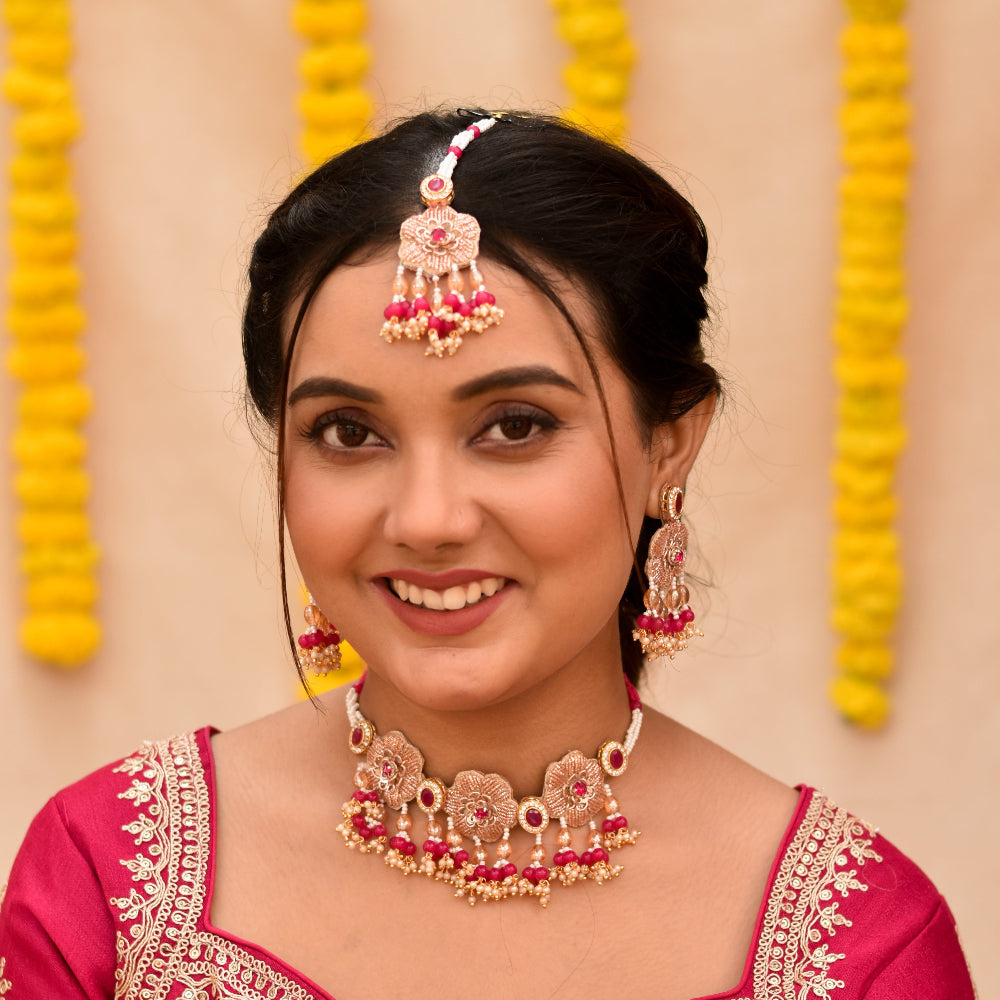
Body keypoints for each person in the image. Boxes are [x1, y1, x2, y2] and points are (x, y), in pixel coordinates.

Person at [0, 109, 974, 998]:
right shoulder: (115, 883)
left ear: (670, 442)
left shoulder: (856, 948)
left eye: (514, 425)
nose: (427, 519)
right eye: (348, 432)